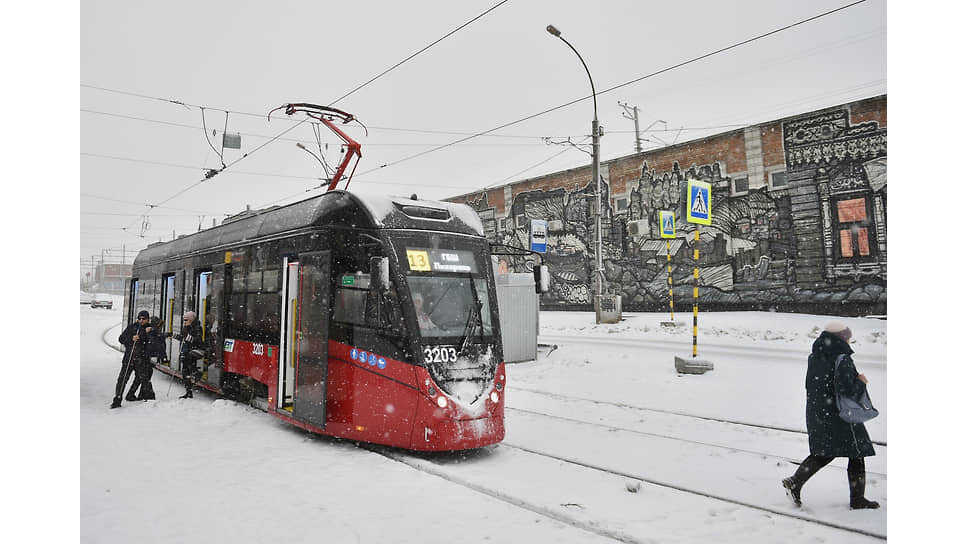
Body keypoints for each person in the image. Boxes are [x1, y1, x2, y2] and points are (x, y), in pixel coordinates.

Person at [782, 321, 880, 510]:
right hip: (840, 414)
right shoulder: (842, 357)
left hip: (819, 410)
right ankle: (857, 499)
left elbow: (811, 385)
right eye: (848, 337)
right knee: (856, 452)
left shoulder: (815, 356)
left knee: (825, 451)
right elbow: (846, 389)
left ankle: (796, 481)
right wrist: (860, 382)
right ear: (842, 338)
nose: (850, 341)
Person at [112, 311, 151, 408]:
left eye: (143, 319)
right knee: (122, 379)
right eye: (139, 318)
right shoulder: (132, 327)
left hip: (142, 359)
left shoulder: (149, 329)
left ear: (147, 319)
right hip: (129, 358)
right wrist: (131, 338)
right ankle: (117, 398)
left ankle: (147, 398)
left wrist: (142, 334)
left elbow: (150, 342)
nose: (141, 321)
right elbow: (121, 339)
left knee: (143, 379)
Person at [173, 311, 205, 399]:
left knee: (188, 360)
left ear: (191, 320)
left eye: (186, 320)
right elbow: (183, 338)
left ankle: (196, 372)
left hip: (196, 350)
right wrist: (175, 336)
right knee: (184, 371)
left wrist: (188, 338)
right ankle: (188, 391)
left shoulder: (197, 327)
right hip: (187, 350)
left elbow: (197, 340)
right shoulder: (185, 328)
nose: (184, 322)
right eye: (183, 320)